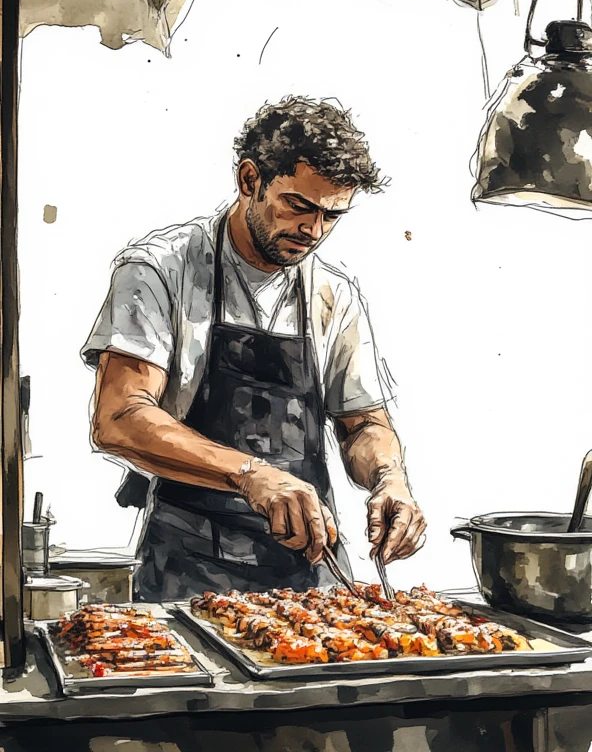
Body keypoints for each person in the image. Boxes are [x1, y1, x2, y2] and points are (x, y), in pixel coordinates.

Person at [82, 97, 426, 599]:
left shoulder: (334, 294)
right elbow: (119, 416)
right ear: (249, 181)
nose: (313, 231)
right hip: (187, 569)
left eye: (332, 215)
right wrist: (250, 474)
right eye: (299, 206)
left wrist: (389, 479)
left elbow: (364, 424)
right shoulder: (160, 269)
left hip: (311, 573)